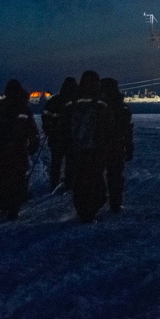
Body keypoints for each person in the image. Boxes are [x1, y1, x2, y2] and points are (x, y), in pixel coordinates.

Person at [0, 79, 40, 220]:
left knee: (1, 173)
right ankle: (14, 204)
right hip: (19, 148)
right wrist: (33, 145)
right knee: (19, 175)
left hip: (0, 148)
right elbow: (32, 129)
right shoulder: (23, 108)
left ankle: (2, 201)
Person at [65, 70, 113, 223]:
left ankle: (82, 209)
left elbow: (63, 124)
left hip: (77, 148)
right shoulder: (101, 102)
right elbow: (108, 125)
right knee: (95, 177)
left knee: (79, 179)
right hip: (96, 148)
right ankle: (92, 207)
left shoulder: (72, 101)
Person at [100, 77, 134, 213]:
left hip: (97, 146)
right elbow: (127, 129)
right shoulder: (122, 107)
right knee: (115, 176)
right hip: (116, 145)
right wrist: (129, 147)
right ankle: (115, 203)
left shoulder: (96, 105)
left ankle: (97, 199)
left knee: (95, 174)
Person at [41, 76, 78, 191]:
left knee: (56, 161)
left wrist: (48, 129)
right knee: (70, 162)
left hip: (55, 137)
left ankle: (54, 181)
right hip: (71, 138)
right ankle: (69, 182)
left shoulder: (55, 100)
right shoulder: (76, 102)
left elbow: (45, 116)